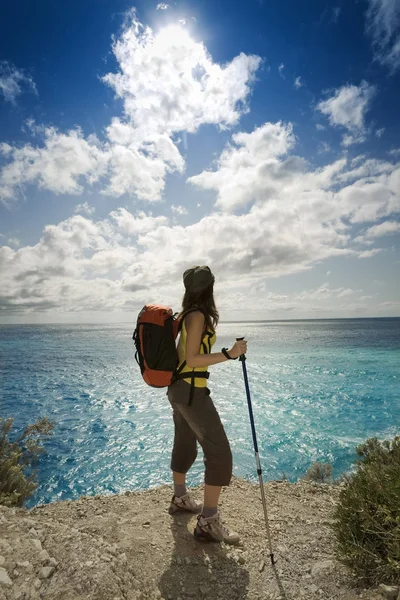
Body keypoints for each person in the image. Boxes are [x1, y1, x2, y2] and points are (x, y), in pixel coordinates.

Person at [167, 265, 247, 544]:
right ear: (210, 288)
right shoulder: (198, 315)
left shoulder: (185, 314)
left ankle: (180, 498)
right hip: (191, 392)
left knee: (185, 443)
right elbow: (191, 358)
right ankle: (208, 521)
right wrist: (230, 353)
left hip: (177, 390)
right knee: (219, 452)